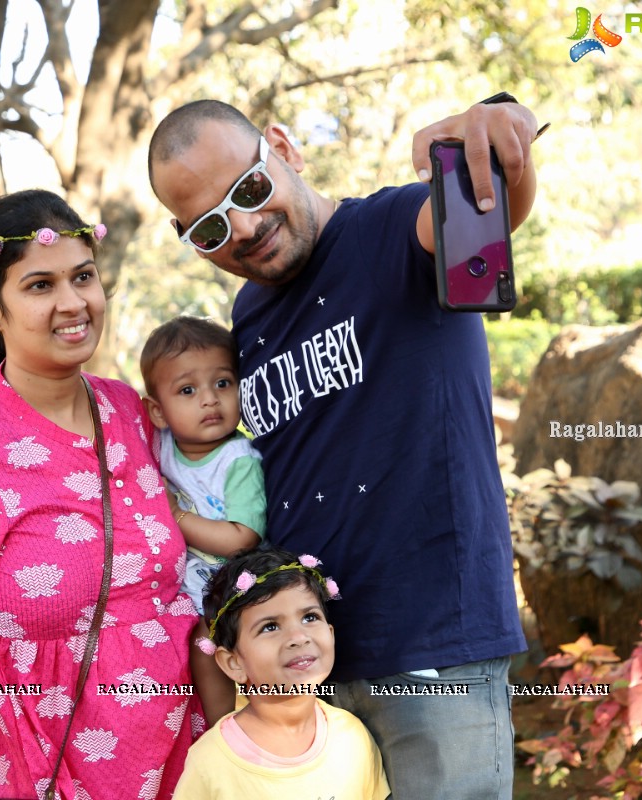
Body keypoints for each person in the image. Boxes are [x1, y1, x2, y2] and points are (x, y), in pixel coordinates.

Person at [147, 98, 541, 798]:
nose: (243, 227)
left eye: (249, 189)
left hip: (433, 651)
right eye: (209, 227)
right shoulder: (249, 316)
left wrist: (493, 133)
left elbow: (487, 215)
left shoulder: (392, 228)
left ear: (283, 146)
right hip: (309, 666)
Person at [0, 190, 203, 800]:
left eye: (82, 277)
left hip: (182, 765)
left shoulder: (133, 412)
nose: (72, 303)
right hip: (38, 771)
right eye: (40, 286)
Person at [171, 545, 390, 799]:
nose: (298, 637)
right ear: (234, 663)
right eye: (270, 626)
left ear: (331, 634)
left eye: (309, 617)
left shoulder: (352, 737)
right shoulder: (210, 762)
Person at [139, 316, 267, 725]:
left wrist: (176, 516)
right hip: (185, 582)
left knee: (206, 642)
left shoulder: (238, 460)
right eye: (188, 390)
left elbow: (241, 538)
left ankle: (221, 725)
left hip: (231, 579)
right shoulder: (160, 446)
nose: (210, 400)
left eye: (223, 383)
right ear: (158, 411)